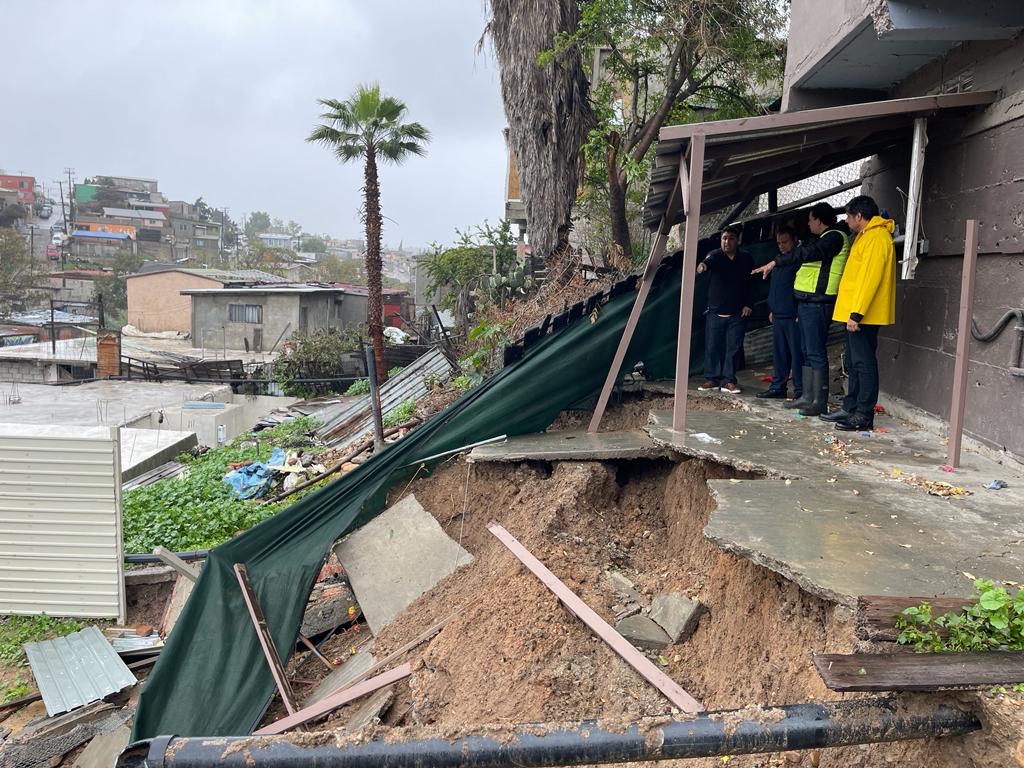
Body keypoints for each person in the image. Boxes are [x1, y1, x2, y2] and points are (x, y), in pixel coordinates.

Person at [751, 202, 850, 416]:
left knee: (814, 351)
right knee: (806, 352)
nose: (808, 223)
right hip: (807, 302)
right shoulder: (823, 238)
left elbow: (808, 254)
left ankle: (818, 402)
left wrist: (775, 262)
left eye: (810, 219)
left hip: (818, 302)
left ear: (819, 219)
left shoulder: (834, 238)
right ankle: (807, 396)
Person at [825, 195, 896, 431]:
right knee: (855, 363)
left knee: (864, 364)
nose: (846, 221)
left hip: (863, 315)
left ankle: (863, 415)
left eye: (847, 216)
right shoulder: (864, 236)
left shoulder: (876, 237)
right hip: (856, 313)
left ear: (859, 216)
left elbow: (869, 278)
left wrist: (857, 313)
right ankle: (850, 407)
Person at [696, 224, 755, 394]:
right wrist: (702, 266)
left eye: (730, 238)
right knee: (712, 347)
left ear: (737, 240)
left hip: (737, 313)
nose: (726, 242)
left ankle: (729, 381)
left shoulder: (746, 258)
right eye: (724, 238)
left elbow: (752, 284)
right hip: (715, 312)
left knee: (734, 348)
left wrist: (748, 304)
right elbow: (707, 263)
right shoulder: (716, 256)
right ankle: (712, 379)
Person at [756, 226, 803, 400]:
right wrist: (771, 309)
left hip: (794, 315)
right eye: (779, 243)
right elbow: (774, 289)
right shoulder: (777, 261)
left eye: (785, 242)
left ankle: (800, 390)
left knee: (797, 355)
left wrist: (799, 310)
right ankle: (778, 387)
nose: (781, 246)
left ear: (794, 240)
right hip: (778, 314)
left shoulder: (799, 259)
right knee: (780, 354)